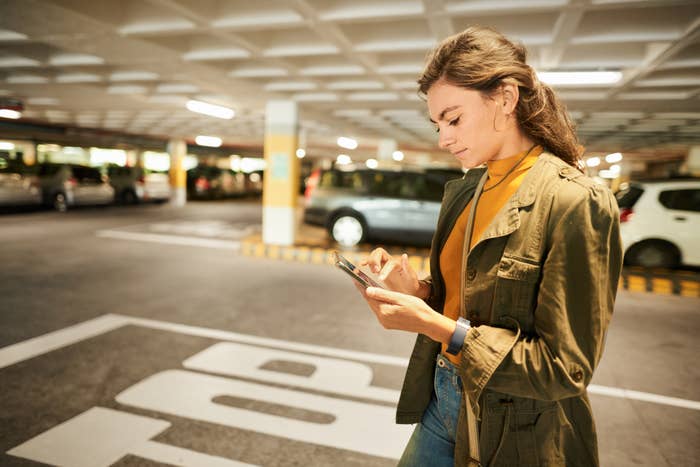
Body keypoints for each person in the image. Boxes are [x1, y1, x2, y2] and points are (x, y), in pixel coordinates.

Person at [355, 26, 622, 467]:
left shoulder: (575, 201)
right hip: (442, 397)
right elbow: (475, 300)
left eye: (454, 119)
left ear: (505, 99)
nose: (443, 138)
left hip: (516, 423)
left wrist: (436, 327)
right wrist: (419, 294)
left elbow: (564, 369)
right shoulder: (468, 189)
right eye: (437, 123)